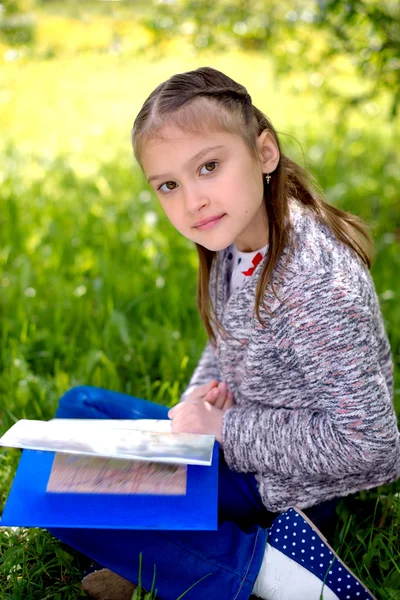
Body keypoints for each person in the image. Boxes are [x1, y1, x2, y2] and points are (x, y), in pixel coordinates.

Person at [50, 67, 400, 600]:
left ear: (264, 153)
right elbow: (223, 341)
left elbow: (373, 448)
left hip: (289, 485)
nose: (192, 201)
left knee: (68, 504)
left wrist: (223, 429)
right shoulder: (236, 235)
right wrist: (197, 404)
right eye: (169, 185)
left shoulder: (315, 283)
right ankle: (160, 547)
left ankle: (273, 573)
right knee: (79, 411)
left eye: (208, 167)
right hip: (236, 445)